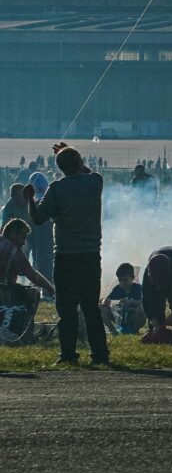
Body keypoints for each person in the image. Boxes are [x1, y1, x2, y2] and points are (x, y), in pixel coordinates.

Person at [22, 142, 109, 366]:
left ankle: (68, 354)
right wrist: (69, 153)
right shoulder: (95, 182)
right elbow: (87, 172)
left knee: (66, 308)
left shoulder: (57, 189)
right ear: (80, 163)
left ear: (60, 168)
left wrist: (30, 199)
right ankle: (100, 354)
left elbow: (39, 218)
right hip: (90, 254)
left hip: (65, 255)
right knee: (91, 307)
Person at [0, 218, 55, 335]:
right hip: (3, 292)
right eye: (23, 237)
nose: (24, 242)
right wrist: (49, 287)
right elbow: (30, 273)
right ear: (13, 234)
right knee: (33, 293)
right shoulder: (13, 250)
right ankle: (25, 333)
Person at [101, 262, 145, 335]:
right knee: (100, 307)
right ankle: (113, 331)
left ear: (132, 278)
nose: (122, 282)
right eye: (120, 280)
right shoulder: (117, 289)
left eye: (125, 280)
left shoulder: (138, 288)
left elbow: (145, 302)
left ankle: (135, 330)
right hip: (119, 317)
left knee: (141, 307)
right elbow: (106, 300)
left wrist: (131, 303)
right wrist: (105, 301)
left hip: (134, 317)